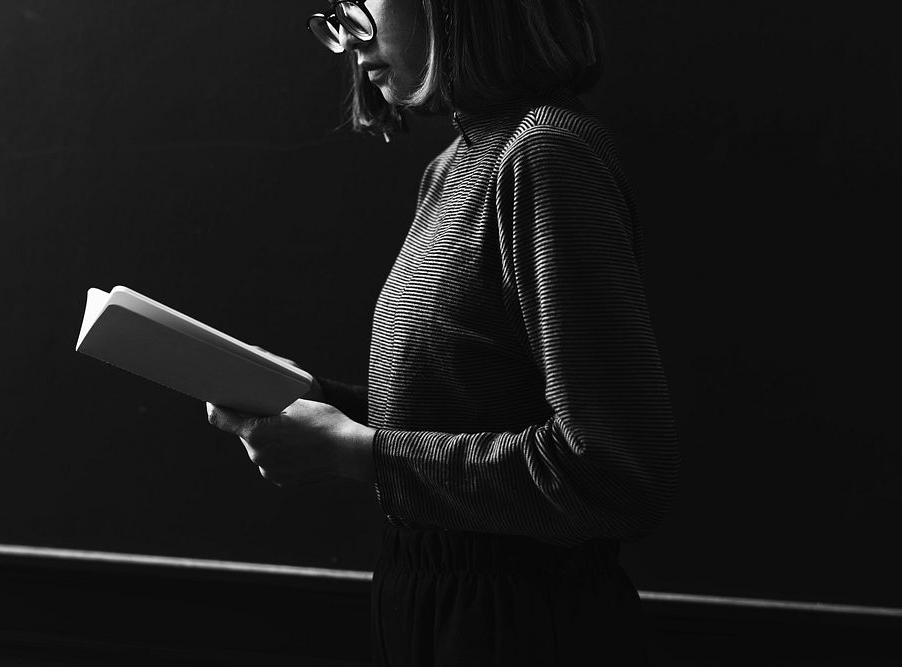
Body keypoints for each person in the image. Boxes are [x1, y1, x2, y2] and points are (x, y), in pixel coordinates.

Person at [206, 1, 680, 664]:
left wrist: (360, 455)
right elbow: (464, 414)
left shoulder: (545, 155)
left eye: (358, 7)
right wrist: (313, 398)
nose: (347, 41)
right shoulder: (452, 167)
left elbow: (614, 473)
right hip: (433, 612)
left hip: (520, 629)